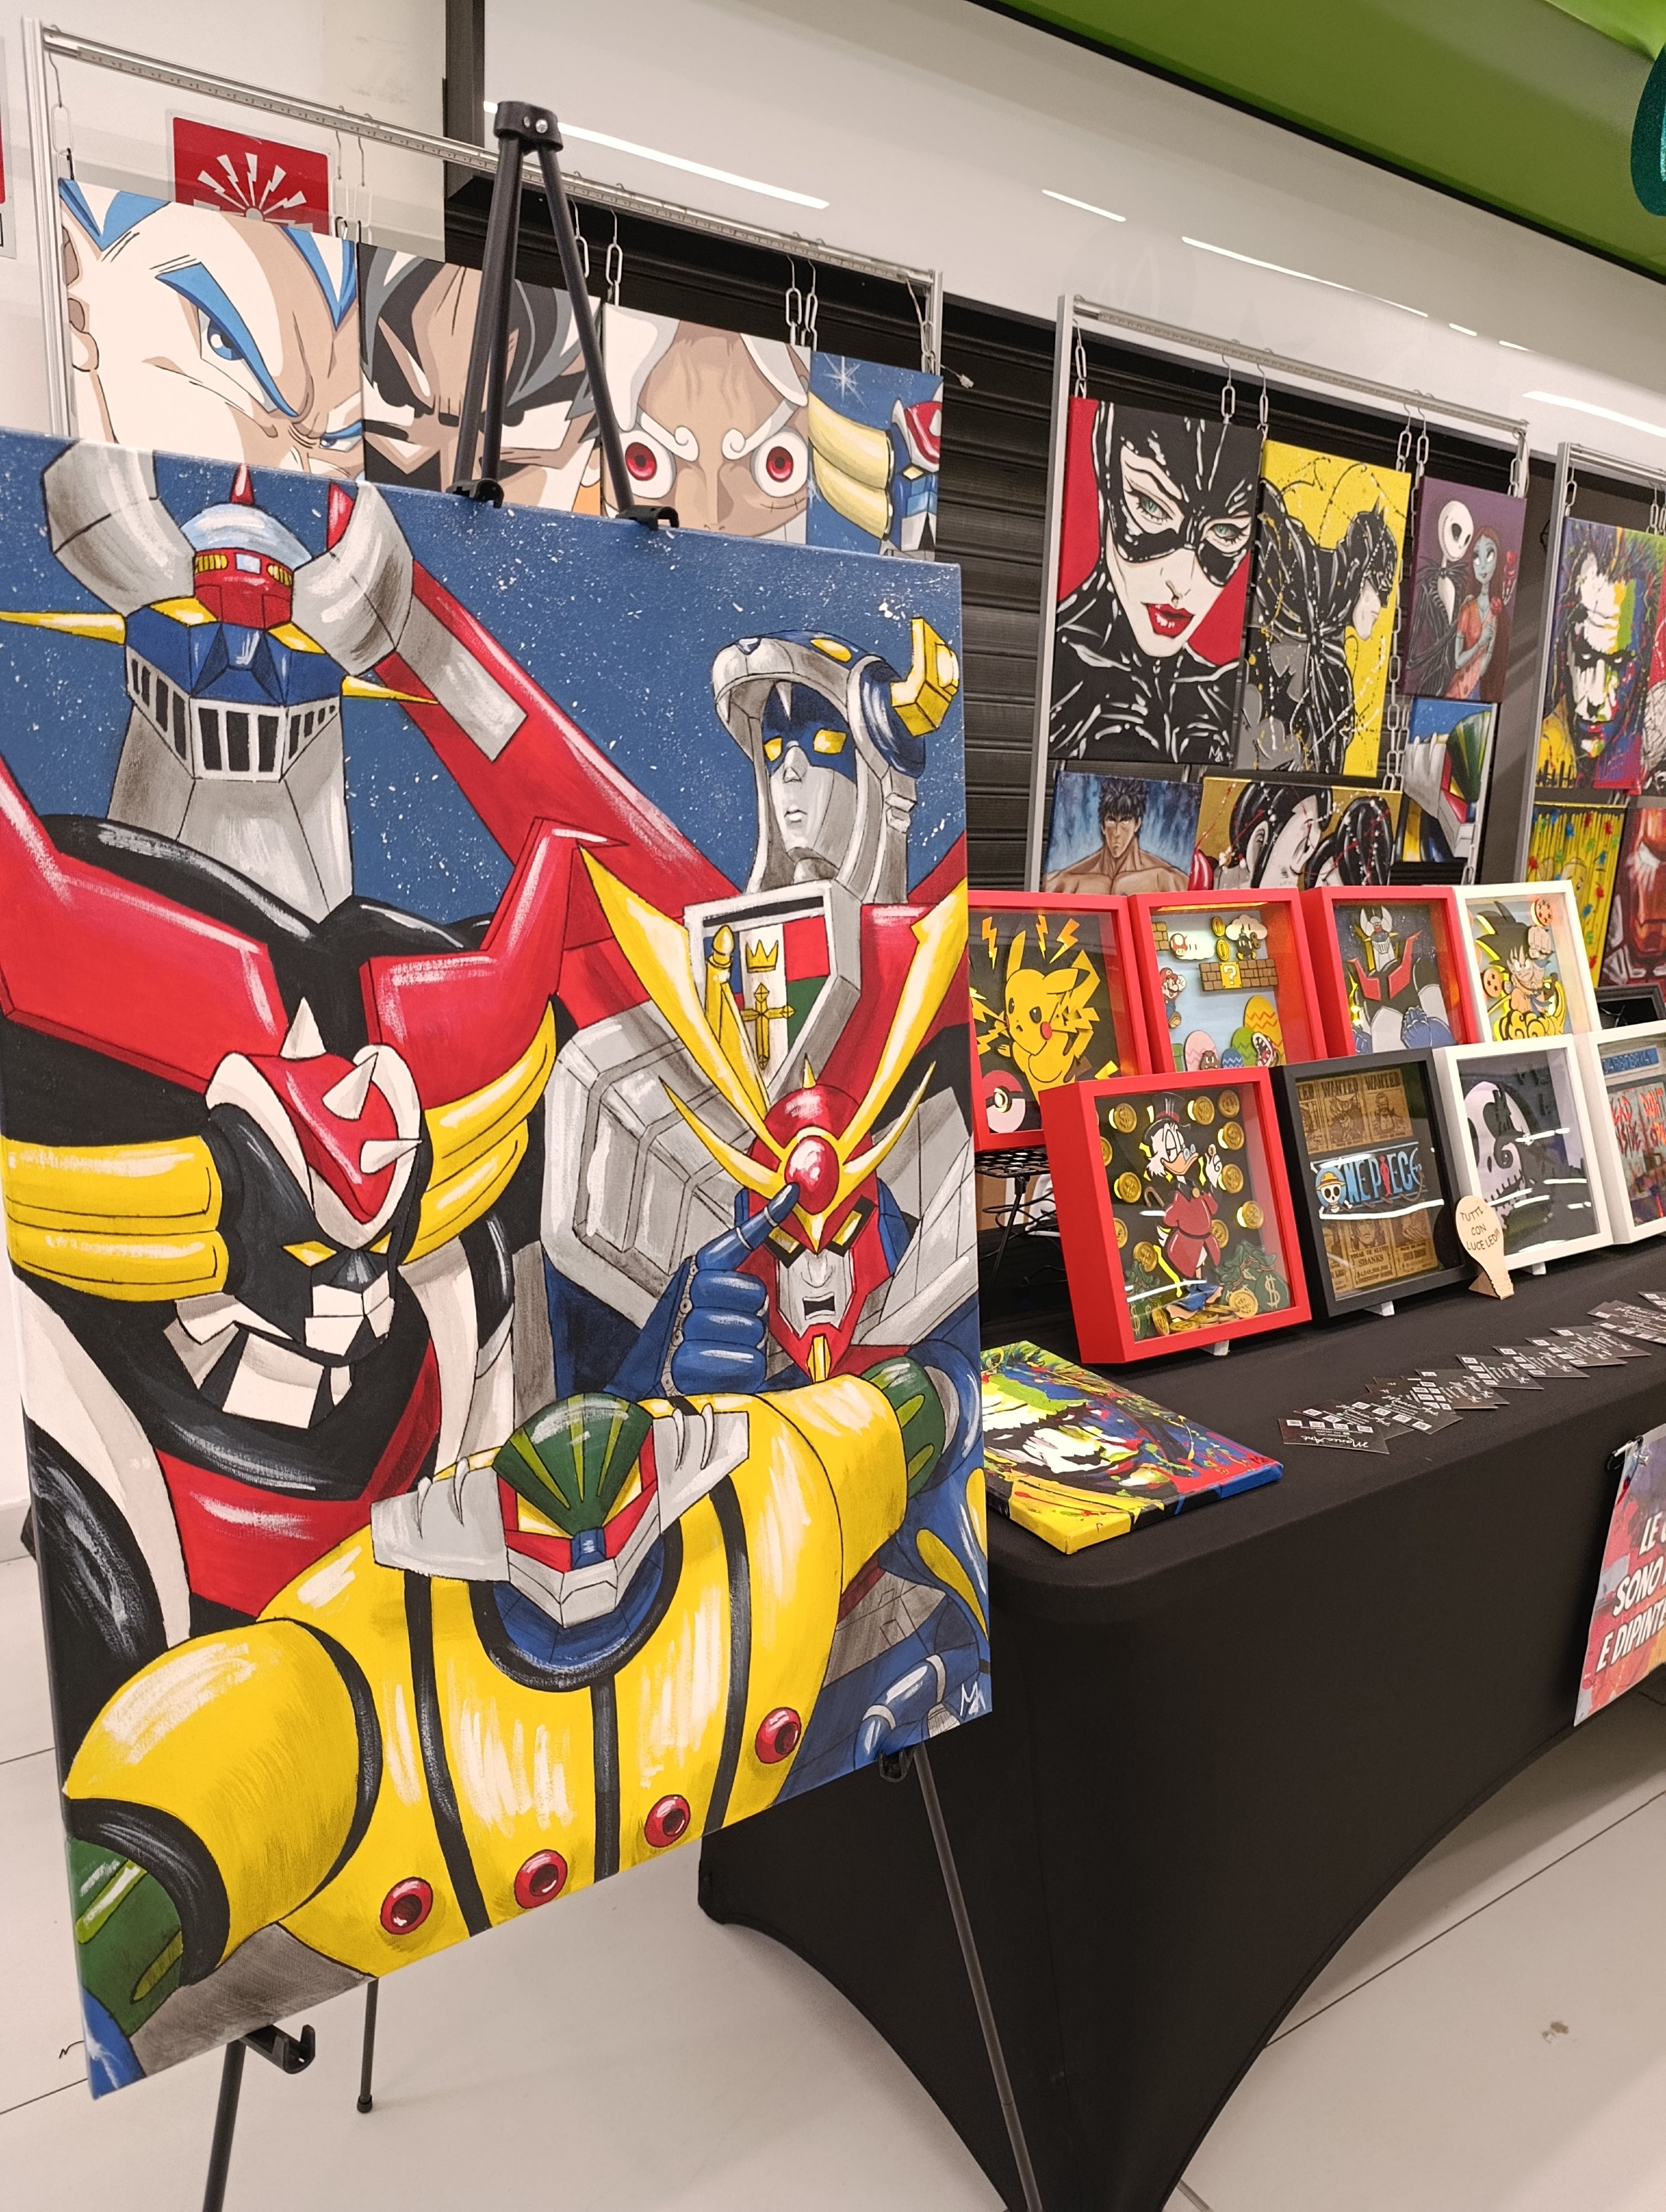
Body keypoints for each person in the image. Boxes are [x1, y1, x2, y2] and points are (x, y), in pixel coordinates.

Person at [1049, 403, 1260, 764]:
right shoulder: (1059, 682)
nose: (1181, 583)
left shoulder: (1221, 695)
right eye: (1151, 507)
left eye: (1225, 533)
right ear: (1106, 483)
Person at [1237, 491, 1400, 777]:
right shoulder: (1293, 595)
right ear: (1358, 573)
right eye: (1380, 587)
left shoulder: (1333, 659)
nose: (1382, 606)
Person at [1043, 776, 1189, 895]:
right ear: (1103, 826)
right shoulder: (1065, 881)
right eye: (1112, 820)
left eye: (1125, 821)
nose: (1117, 833)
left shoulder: (1167, 879)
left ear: (1137, 824)